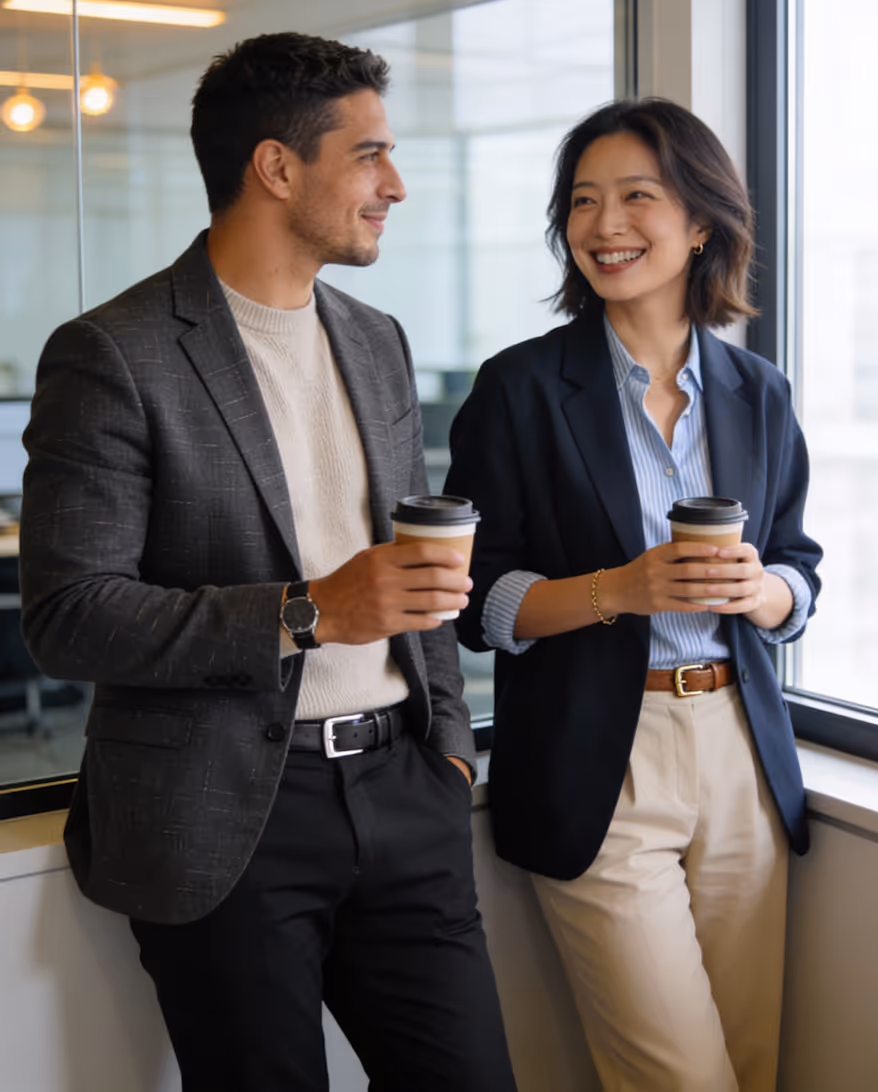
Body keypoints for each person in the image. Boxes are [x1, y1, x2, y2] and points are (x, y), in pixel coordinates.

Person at [19, 32, 516, 1092]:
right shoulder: (114, 351)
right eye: (371, 155)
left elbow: (406, 574)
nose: (398, 186)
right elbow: (68, 613)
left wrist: (448, 749)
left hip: (404, 790)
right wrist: (307, 613)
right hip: (225, 820)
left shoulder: (376, 337)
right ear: (277, 167)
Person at [445, 98, 822, 1092]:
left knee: (749, 1064)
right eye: (582, 202)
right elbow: (477, 602)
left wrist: (767, 591)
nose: (604, 226)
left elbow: (799, 564)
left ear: (701, 222)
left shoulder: (759, 391)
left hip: (740, 750)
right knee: (680, 1077)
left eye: (636, 198)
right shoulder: (521, 389)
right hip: (599, 761)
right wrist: (619, 588)